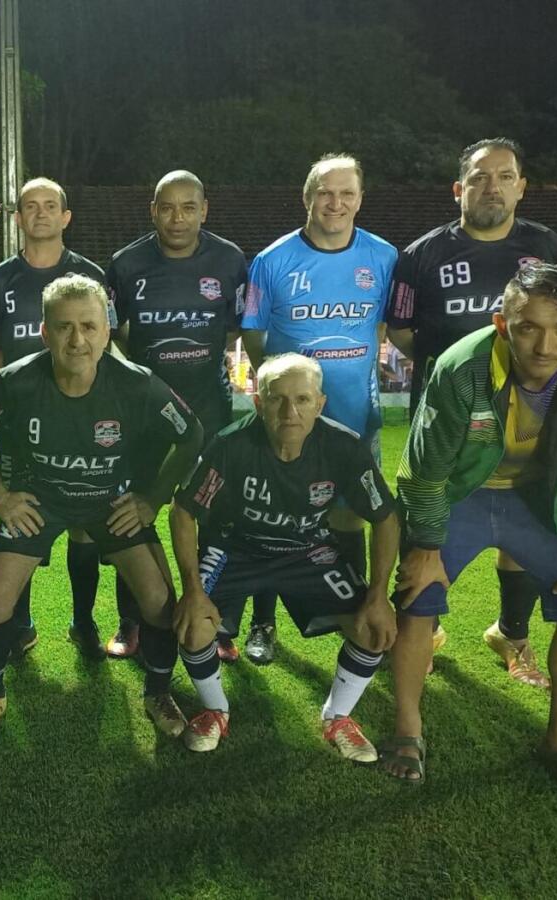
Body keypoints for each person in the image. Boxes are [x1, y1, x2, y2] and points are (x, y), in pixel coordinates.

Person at [386, 263, 557, 811]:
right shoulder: (462, 365)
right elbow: (424, 474)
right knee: (417, 597)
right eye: (529, 328)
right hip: (460, 494)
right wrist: (425, 548)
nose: (546, 346)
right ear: (503, 324)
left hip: (539, 501)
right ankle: (407, 726)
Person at [0, 274, 203, 743]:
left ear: (106, 331)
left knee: (157, 599)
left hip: (109, 502)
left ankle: (157, 692)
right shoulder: (14, 382)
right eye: (64, 327)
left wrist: (152, 498)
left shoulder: (137, 384)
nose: (77, 340)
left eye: (89, 326)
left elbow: (191, 435)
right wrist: (2, 497)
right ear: (44, 332)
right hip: (40, 502)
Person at [386, 138, 557, 688]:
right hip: (447, 422)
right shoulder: (421, 254)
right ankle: (427, 630)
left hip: (528, 416)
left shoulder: (545, 246)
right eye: (479, 177)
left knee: (522, 514)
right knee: (429, 516)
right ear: (458, 188)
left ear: (521, 187)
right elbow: (401, 331)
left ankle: (510, 633)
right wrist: (457, 379)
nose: (492, 187)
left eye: (504, 176)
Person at [170, 354, 398, 756]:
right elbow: (183, 511)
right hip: (235, 548)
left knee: (372, 629)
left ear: (320, 404)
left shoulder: (344, 446)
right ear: (259, 403)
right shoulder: (230, 445)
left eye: (303, 400)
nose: (290, 412)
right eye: (277, 399)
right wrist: (192, 589)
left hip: (308, 549)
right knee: (193, 625)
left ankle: (337, 716)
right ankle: (215, 710)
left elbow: (386, 518)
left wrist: (379, 594)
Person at [240, 154, 397, 668]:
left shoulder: (383, 257)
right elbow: (253, 333)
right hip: (290, 421)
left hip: (355, 416)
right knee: (272, 517)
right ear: (307, 197)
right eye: (325, 192)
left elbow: (382, 326)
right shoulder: (272, 261)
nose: (336, 203)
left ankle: (352, 612)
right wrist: (278, 394)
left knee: (351, 515)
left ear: (360, 199)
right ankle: (263, 623)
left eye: (346, 193)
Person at [105, 169, 247, 660]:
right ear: (153, 211)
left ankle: (217, 619)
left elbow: (233, 330)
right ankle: (132, 619)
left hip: (210, 411)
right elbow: (113, 332)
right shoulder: (125, 264)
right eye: (167, 207)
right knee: (134, 512)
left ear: (204, 210)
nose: (177, 218)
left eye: (188, 207)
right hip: (145, 416)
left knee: (216, 515)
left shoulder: (230, 260)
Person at [0, 177, 107, 659]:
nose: (40, 214)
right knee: (24, 514)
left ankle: (83, 620)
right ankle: (22, 622)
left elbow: (104, 341)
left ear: (65, 216)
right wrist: (15, 399)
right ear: (18, 218)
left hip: (83, 417)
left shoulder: (90, 275)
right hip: (21, 422)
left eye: (50, 205)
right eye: (30, 206)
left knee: (83, 522)